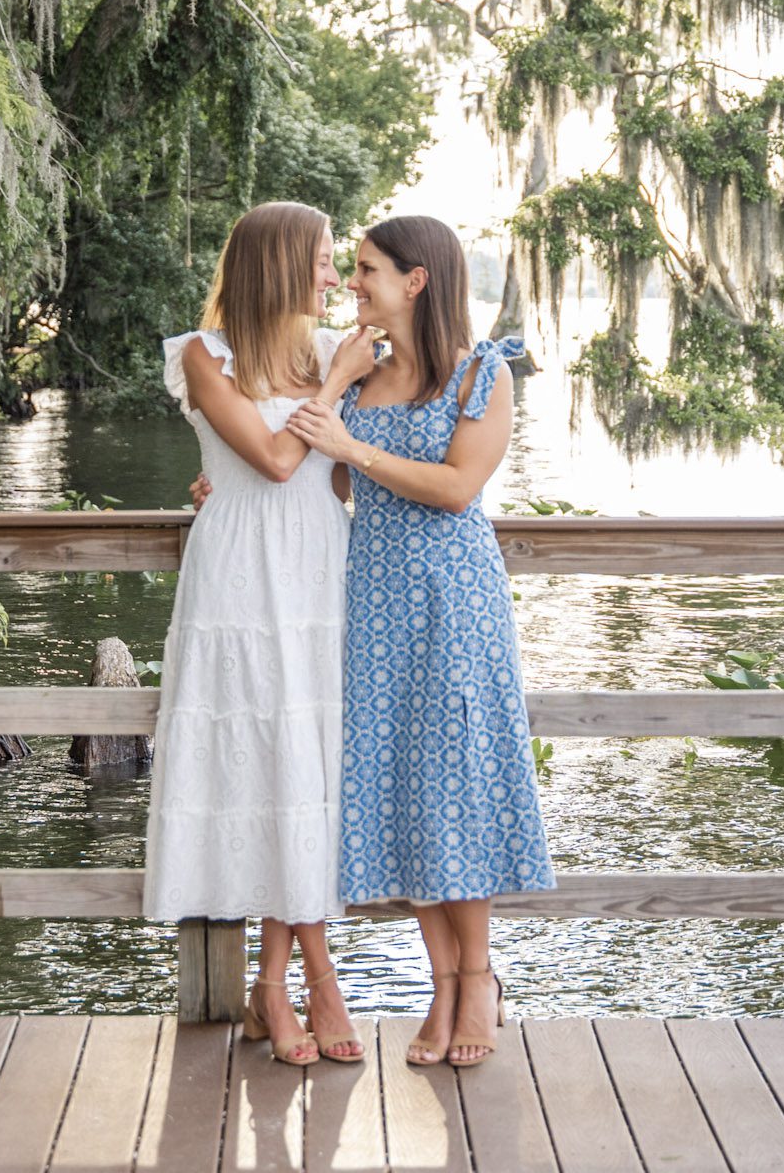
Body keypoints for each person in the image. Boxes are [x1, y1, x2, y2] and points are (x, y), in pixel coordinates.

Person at [287, 214, 555, 1068]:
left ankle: (479, 980)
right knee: (403, 790)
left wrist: (351, 449)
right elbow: (318, 478)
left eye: (366, 270)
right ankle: (438, 989)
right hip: (373, 605)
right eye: (354, 269)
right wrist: (219, 481)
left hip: (451, 601)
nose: (353, 283)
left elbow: (456, 487)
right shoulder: (363, 374)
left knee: (454, 791)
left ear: (417, 280)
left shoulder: (483, 372)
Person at [143, 201, 376, 1066]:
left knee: (304, 770)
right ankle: (311, 984)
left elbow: (337, 480)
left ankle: (276, 989)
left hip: (318, 571)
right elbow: (275, 463)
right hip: (241, 579)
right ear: (280, 264)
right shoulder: (205, 356)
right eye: (322, 260)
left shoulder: (326, 354)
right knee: (263, 767)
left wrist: (340, 381)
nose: (333, 275)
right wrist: (336, 384)